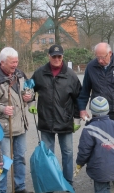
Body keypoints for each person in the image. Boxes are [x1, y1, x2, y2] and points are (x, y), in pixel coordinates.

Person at [0, 47, 34, 193]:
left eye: (17, 62)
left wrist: (29, 96)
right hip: (3, 127)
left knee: (20, 158)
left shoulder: (19, 74)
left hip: (20, 124)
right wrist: (2, 109)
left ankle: (20, 186)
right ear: (2, 62)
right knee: (3, 161)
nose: (15, 65)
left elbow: (29, 90)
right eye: (12, 62)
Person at [29, 44, 82, 184]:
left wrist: (77, 118)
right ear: (49, 56)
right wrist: (31, 102)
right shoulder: (40, 73)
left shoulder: (71, 75)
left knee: (68, 153)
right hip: (46, 119)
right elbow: (28, 87)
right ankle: (50, 180)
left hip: (65, 120)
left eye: (59, 56)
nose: (57, 59)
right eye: (54, 56)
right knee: (48, 153)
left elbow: (79, 98)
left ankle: (67, 180)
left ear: (63, 57)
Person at [77, 42, 114, 125]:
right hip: (98, 114)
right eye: (98, 57)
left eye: (103, 57)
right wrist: (82, 109)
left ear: (110, 53)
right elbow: (85, 91)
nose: (100, 61)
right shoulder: (91, 67)